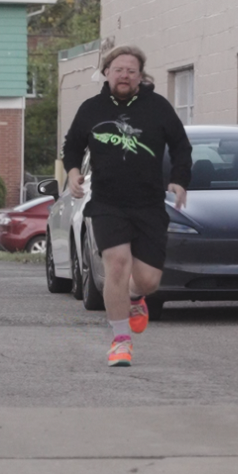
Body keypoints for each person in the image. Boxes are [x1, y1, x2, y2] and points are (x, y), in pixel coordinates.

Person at [62, 44, 192, 368]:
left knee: (148, 281)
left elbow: (181, 146)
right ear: (106, 72)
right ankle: (120, 341)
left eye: (131, 71)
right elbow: (72, 146)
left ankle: (134, 296)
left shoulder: (158, 107)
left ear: (140, 76)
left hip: (149, 205)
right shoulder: (91, 109)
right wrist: (74, 172)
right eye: (118, 69)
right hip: (107, 203)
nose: (124, 75)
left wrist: (179, 179)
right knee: (117, 264)